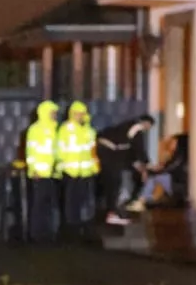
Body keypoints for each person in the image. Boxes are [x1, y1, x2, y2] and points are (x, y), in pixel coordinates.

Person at [55, 100, 99, 241]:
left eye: (81, 114)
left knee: (84, 201)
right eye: (76, 114)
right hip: (70, 171)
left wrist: (95, 166)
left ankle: (83, 228)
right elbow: (60, 150)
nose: (79, 116)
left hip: (85, 172)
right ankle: (70, 229)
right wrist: (60, 168)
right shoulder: (65, 129)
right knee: (70, 202)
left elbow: (92, 151)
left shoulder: (89, 131)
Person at [96, 114, 155, 219]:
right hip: (108, 151)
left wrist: (138, 164)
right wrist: (147, 164)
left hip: (108, 150)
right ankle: (112, 211)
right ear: (146, 123)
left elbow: (129, 149)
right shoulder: (136, 127)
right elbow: (138, 148)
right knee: (114, 182)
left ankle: (109, 209)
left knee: (111, 181)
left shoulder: (128, 126)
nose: (147, 129)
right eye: (149, 127)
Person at [24, 100, 60, 243]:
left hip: (53, 173)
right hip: (39, 174)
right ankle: (37, 234)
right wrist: (33, 170)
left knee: (52, 205)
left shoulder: (56, 129)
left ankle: (50, 233)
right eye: (53, 113)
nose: (55, 115)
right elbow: (31, 152)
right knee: (39, 205)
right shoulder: (35, 129)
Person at [125, 133, 189, 212]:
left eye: (174, 142)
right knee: (154, 177)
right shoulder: (179, 156)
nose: (170, 144)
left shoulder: (179, 157)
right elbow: (165, 167)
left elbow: (167, 169)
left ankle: (142, 201)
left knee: (155, 177)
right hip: (177, 183)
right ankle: (143, 200)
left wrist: (149, 172)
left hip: (179, 186)